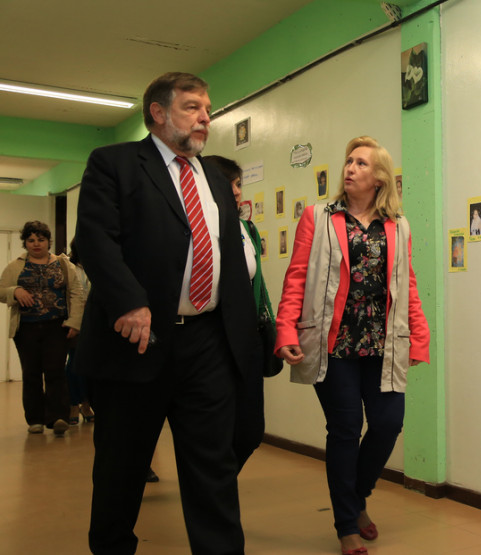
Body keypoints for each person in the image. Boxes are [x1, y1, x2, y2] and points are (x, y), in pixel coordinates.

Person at [75, 72, 257, 554]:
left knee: (213, 465)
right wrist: (130, 300)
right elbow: (94, 240)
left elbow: (231, 261)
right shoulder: (114, 164)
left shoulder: (215, 180)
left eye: (207, 109)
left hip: (206, 343)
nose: (205, 118)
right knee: (122, 466)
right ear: (157, 112)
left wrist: (248, 335)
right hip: (137, 342)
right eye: (193, 107)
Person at [275, 136, 430, 555]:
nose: (350, 168)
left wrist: (420, 334)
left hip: (383, 344)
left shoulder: (399, 225)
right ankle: (346, 523)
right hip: (334, 344)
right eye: (348, 161)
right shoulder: (319, 217)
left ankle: (357, 497)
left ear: (379, 178)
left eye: (361, 163)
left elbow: (407, 284)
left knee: (387, 424)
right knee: (344, 430)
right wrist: (285, 330)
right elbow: (296, 277)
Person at [204, 154, 277, 470]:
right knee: (212, 428)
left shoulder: (247, 228)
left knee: (249, 430)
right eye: (229, 183)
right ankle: (214, 493)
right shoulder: (194, 225)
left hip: (246, 337)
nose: (236, 191)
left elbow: (256, 282)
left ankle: (218, 483)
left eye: (238, 184)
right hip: (207, 337)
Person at [0, 221, 85, 436]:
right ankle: (35, 420)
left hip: (57, 326)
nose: (36, 244)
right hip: (26, 329)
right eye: (31, 240)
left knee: (56, 371)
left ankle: (58, 418)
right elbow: (1, 290)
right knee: (31, 373)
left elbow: (76, 293)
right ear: (25, 243)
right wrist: (15, 291)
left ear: (48, 241)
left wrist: (75, 322)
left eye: (41, 239)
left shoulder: (64, 265)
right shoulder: (15, 266)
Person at [64, 239, 94, 426]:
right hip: (75, 323)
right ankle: (73, 404)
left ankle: (86, 404)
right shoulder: (69, 267)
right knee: (73, 366)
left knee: (91, 368)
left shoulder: (97, 266)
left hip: (94, 325)